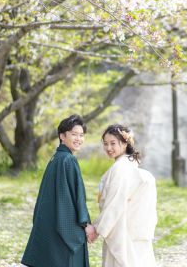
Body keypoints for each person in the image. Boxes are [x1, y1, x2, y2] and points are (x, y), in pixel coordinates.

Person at [22, 114, 98, 267]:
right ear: (62, 136)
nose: (79, 139)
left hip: (50, 225)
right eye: (74, 134)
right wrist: (86, 224)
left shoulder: (56, 158)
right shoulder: (68, 159)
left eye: (81, 135)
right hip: (63, 227)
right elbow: (77, 196)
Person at [93, 124, 158, 267]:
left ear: (124, 144)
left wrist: (97, 228)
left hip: (124, 232)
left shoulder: (120, 168)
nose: (108, 148)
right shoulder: (129, 166)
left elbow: (114, 202)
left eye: (113, 143)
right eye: (105, 144)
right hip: (138, 231)